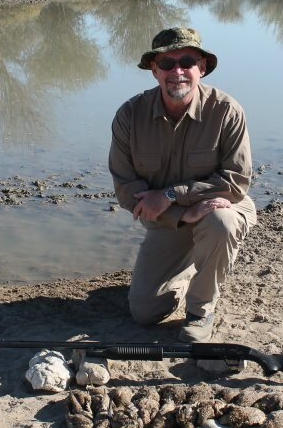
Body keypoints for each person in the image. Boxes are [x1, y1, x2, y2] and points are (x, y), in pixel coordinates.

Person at [109, 27, 256, 343]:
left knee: (222, 222)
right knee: (145, 313)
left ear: (201, 67)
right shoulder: (129, 115)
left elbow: (235, 182)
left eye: (187, 61)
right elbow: (126, 189)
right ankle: (191, 268)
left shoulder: (227, 111)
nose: (177, 72)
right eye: (166, 63)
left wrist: (172, 194)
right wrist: (179, 214)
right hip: (169, 220)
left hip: (221, 206)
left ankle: (201, 311)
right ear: (154, 70)